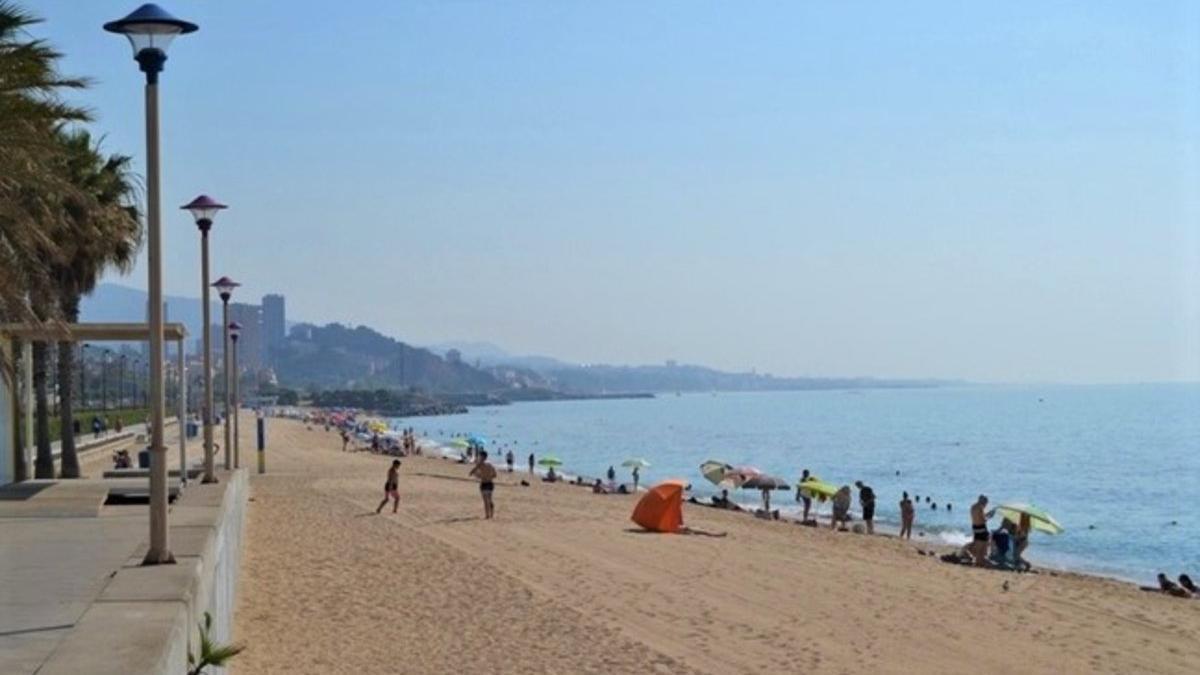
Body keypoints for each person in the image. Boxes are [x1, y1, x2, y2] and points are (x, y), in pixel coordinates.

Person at [468, 451, 497, 519]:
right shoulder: (490, 465)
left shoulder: (480, 465)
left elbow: (471, 472)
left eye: (480, 456)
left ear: (482, 457)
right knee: (490, 500)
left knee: (485, 501)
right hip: (490, 483)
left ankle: (487, 515)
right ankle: (492, 515)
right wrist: (488, 476)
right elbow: (495, 475)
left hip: (484, 483)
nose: (479, 457)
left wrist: (479, 475)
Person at [969, 495, 991, 567]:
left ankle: (978, 561)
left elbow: (977, 517)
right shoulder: (980, 507)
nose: (985, 505)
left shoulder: (973, 507)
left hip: (975, 527)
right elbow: (983, 520)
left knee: (978, 544)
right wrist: (989, 517)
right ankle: (980, 562)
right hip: (981, 528)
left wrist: (986, 515)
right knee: (984, 546)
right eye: (986, 503)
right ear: (983, 501)